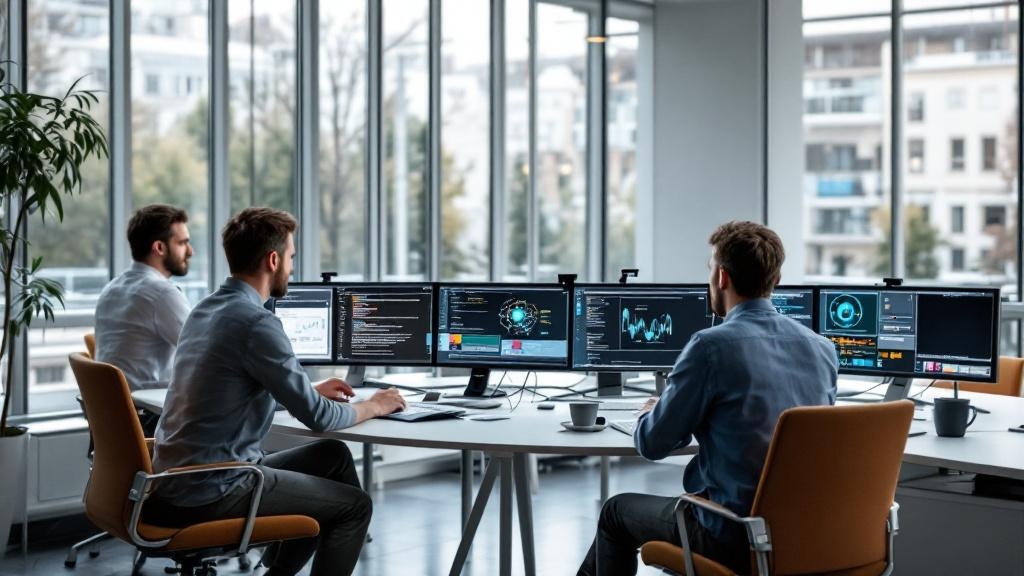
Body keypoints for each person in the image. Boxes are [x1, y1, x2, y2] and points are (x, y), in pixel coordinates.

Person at [147, 207, 406, 576]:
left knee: (332, 456)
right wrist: (374, 405)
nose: (292, 267)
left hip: (177, 482)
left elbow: (230, 386)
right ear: (273, 259)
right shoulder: (256, 322)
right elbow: (319, 417)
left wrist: (307, 388)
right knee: (354, 507)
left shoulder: (206, 309)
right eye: (291, 257)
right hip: (215, 489)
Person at [578, 221, 838, 576]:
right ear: (775, 281)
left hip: (734, 534)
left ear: (721, 278)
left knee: (615, 513)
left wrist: (649, 413)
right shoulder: (822, 349)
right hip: (807, 534)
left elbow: (653, 445)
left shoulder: (710, 346)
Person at [94, 204, 193, 391]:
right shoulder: (162, 294)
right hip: (146, 412)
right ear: (159, 247)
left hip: (113, 410)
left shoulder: (111, 289)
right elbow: (203, 349)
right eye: (182, 243)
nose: (190, 251)